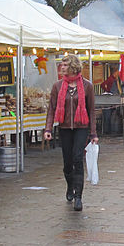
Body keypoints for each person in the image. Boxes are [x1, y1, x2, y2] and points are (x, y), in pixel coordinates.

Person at [42, 55, 97, 212]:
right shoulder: (57, 86)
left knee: (77, 158)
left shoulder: (87, 86)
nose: (62, 67)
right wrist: (48, 129)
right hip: (65, 128)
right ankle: (70, 185)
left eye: (65, 64)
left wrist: (93, 133)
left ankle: (78, 197)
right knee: (67, 162)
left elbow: (91, 110)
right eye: (62, 64)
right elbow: (51, 109)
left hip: (81, 127)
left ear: (73, 66)